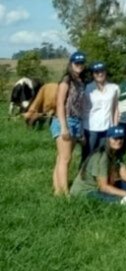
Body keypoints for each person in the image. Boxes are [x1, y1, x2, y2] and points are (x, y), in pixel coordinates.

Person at [70, 125, 126, 203]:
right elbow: (103, 187)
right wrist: (125, 193)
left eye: (121, 138)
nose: (118, 141)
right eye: (115, 138)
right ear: (108, 139)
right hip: (87, 190)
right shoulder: (102, 157)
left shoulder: (117, 153)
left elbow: (123, 173)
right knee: (116, 201)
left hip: (102, 186)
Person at [52, 51, 88, 196]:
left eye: (81, 63)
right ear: (71, 64)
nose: (79, 65)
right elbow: (60, 104)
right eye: (76, 63)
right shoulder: (66, 81)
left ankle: (57, 191)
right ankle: (66, 193)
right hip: (65, 120)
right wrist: (63, 127)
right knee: (66, 159)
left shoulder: (80, 81)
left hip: (76, 121)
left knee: (61, 158)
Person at [83, 62, 120, 160]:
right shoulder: (87, 88)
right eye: (96, 72)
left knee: (103, 155)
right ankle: (83, 174)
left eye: (102, 71)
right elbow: (83, 108)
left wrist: (115, 126)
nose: (100, 74)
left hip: (107, 127)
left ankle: (101, 175)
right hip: (91, 127)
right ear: (93, 74)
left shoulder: (114, 88)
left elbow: (115, 108)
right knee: (88, 154)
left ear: (105, 72)